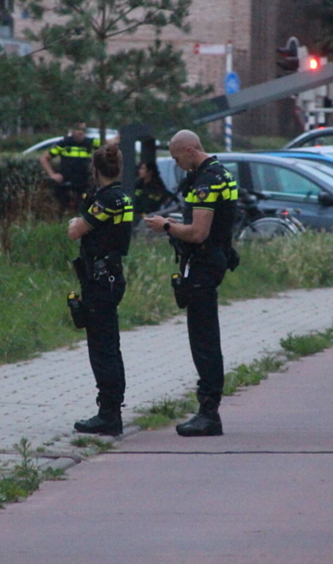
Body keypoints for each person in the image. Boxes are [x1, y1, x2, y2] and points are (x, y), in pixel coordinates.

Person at [143, 130, 237, 436]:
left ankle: (209, 413)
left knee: (204, 340)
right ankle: (208, 409)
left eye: (176, 158)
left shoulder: (207, 181)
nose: (177, 164)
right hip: (215, 260)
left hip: (204, 266)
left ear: (189, 150)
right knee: (206, 338)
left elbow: (198, 233)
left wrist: (166, 225)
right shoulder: (223, 173)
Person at [67, 143, 134, 436]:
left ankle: (108, 414)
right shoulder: (122, 197)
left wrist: (77, 220)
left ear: (95, 171)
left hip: (100, 281)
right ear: (119, 169)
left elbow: (75, 231)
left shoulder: (106, 200)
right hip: (111, 277)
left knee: (102, 348)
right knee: (110, 345)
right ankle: (111, 409)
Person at [41, 122, 117, 214]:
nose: (80, 132)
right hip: (66, 180)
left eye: (83, 130)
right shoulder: (64, 143)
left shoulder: (90, 142)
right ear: (72, 131)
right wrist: (52, 175)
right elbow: (44, 158)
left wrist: (118, 138)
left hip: (84, 180)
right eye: (78, 129)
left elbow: (107, 143)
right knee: (62, 205)